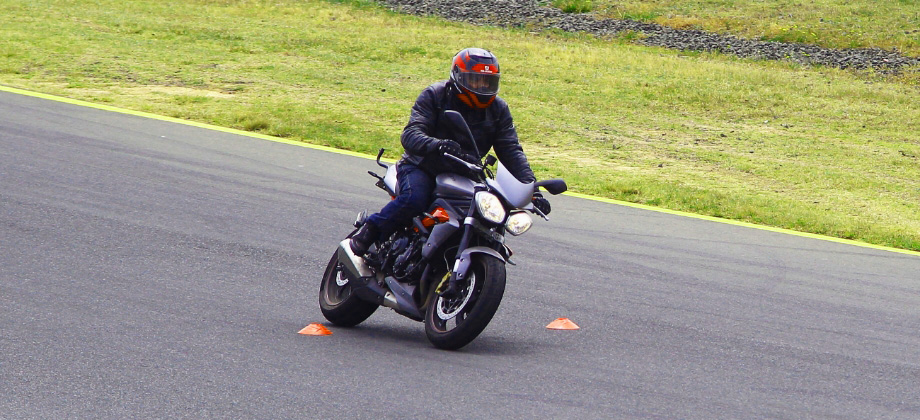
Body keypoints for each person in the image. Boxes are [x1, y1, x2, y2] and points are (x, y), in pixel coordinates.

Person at [350, 47, 552, 256]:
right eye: (475, 80)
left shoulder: (499, 109)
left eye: (487, 81)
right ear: (459, 77)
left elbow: (511, 150)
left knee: (489, 215)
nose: (482, 86)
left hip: (466, 173)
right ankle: (369, 231)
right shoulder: (435, 95)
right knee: (414, 200)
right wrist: (436, 144)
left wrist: (531, 191)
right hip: (423, 166)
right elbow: (410, 134)